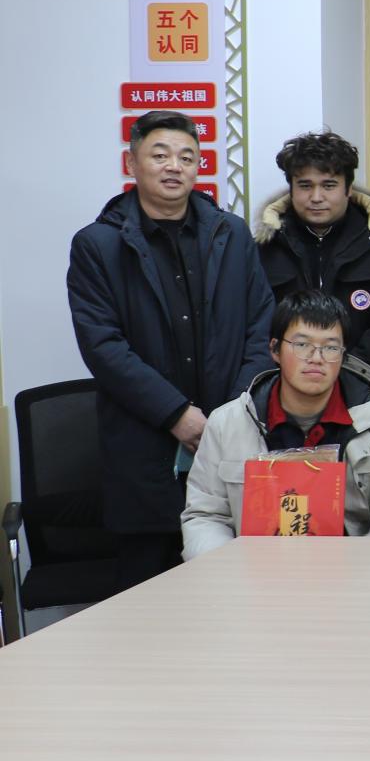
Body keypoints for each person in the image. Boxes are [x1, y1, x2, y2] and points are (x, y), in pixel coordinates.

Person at [67, 110, 274, 588]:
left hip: (230, 438)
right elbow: (103, 346)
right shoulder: (98, 244)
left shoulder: (231, 234)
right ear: (132, 163)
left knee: (234, 590)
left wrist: (232, 414)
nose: (173, 167)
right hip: (144, 446)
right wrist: (176, 413)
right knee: (146, 598)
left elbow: (260, 325)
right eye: (159, 155)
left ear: (199, 165)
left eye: (186, 156)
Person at [181, 290, 370, 555]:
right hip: (250, 570)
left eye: (330, 347)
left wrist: (365, 565)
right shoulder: (228, 423)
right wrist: (230, 571)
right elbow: (206, 516)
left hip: (355, 568)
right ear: (275, 349)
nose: (316, 358)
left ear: (343, 355)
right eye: (302, 344)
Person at [254, 130, 370, 396]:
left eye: (328, 186)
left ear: (348, 190)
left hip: (365, 393)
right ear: (291, 190)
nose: (316, 197)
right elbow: (255, 328)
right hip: (282, 393)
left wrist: (339, 377)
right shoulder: (264, 250)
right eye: (305, 186)